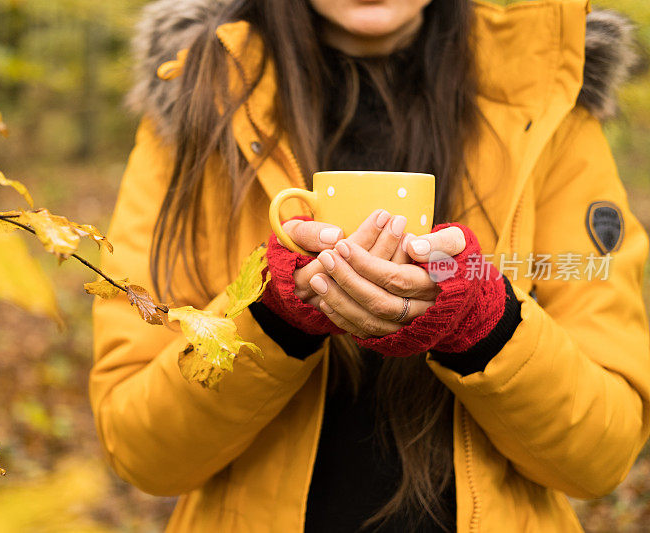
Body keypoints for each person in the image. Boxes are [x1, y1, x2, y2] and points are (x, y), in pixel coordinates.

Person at [90, 0, 650, 531]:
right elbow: (141, 452)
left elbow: (602, 455)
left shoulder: (544, 101)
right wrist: (273, 312)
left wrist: (483, 320)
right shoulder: (199, 105)